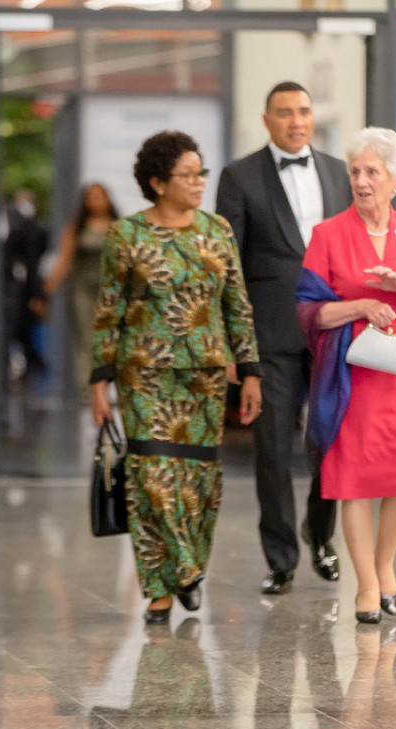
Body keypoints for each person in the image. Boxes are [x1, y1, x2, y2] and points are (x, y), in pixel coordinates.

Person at [90, 130, 263, 625]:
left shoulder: (218, 231)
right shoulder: (127, 235)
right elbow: (108, 311)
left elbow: (237, 305)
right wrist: (99, 382)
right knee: (150, 477)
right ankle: (173, 577)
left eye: (200, 172)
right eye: (187, 175)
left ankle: (179, 579)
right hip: (143, 373)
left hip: (205, 374)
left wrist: (249, 371)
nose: (198, 182)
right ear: (157, 182)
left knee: (197, 480)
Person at [296, 127, 396, 624]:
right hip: (349, 381)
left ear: (395, 180)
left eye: (372, 172)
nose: (361, 181)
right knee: (353, 484)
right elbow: (308, 312)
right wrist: (361, 305)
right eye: (355, 172)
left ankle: (385, 565)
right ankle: (366, 583)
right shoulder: (327, 235)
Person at [216, 81, 352, 596]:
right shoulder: (239, 175)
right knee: (272, 449)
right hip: (267, 336)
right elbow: (228, 267)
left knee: (329, 442)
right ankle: (281, 558)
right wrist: (234, 345)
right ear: (267, 119)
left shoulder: (339, 172)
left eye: (303, 111)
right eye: (284, 113)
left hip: (331, 331)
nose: (296, 121)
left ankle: (320, 534)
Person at [42, 182, 119, 396]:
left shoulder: (119, 225)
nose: (95, 201)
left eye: (99, 196)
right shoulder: (77, 226)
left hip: (110, 290)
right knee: (86, 340)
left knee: (110, 339)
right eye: (90, 197)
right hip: (82, 290)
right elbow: (64, 260)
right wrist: (46, 291)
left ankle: (110, 387)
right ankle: (90, 391)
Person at [0, 188, 49, 388]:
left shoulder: (32, 228)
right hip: (6, 286)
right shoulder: (6, 219)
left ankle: (27, 367)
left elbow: (31, 261)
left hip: (18, 289)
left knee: (18, 332)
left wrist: (37, 294)